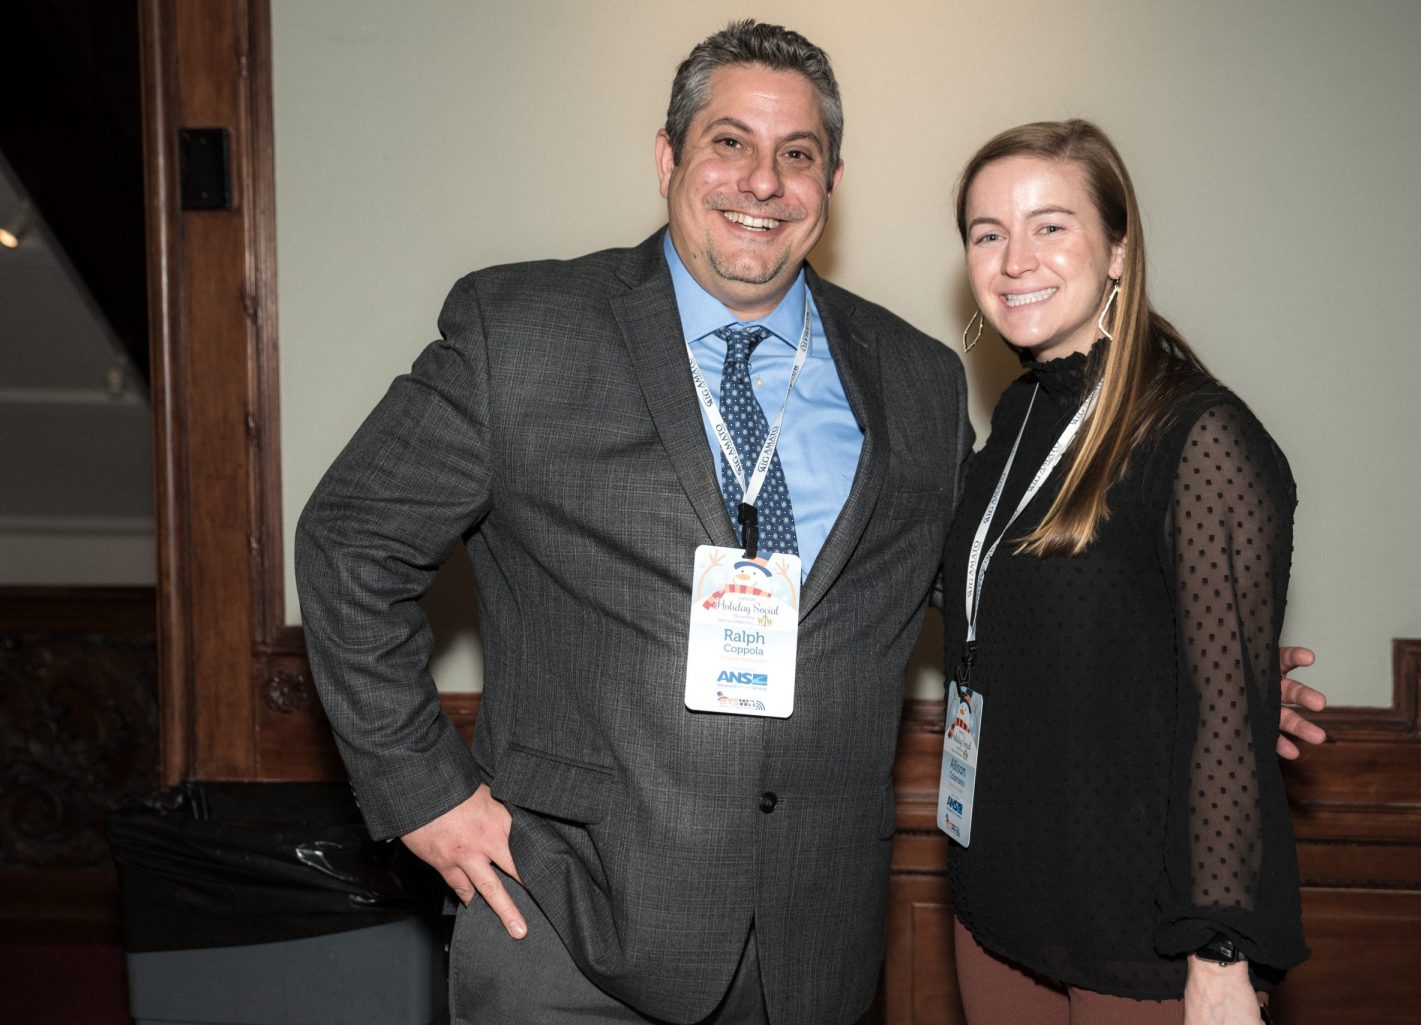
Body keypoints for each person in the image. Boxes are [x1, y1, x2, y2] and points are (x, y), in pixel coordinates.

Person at [296, 24, 1325, 1024]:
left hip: (812, 950)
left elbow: (993, 590)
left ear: (830, 184)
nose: (762, 181)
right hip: (567, 929)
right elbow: (348, 544)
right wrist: (423, 791)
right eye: (729, 142)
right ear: (668, 158)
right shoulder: (523, 333)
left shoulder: (916, 380)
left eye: (797, 154)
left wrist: (1194, 680)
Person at [941, 119, 1308, 1025]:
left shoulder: (1197, 432)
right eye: (988, 233)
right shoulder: (1017, 419)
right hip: (997, 893)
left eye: (1050, 225)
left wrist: (1221, 953)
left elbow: (1224, 719)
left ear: (1117, 250)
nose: (1015, 259)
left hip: (1143, 925)